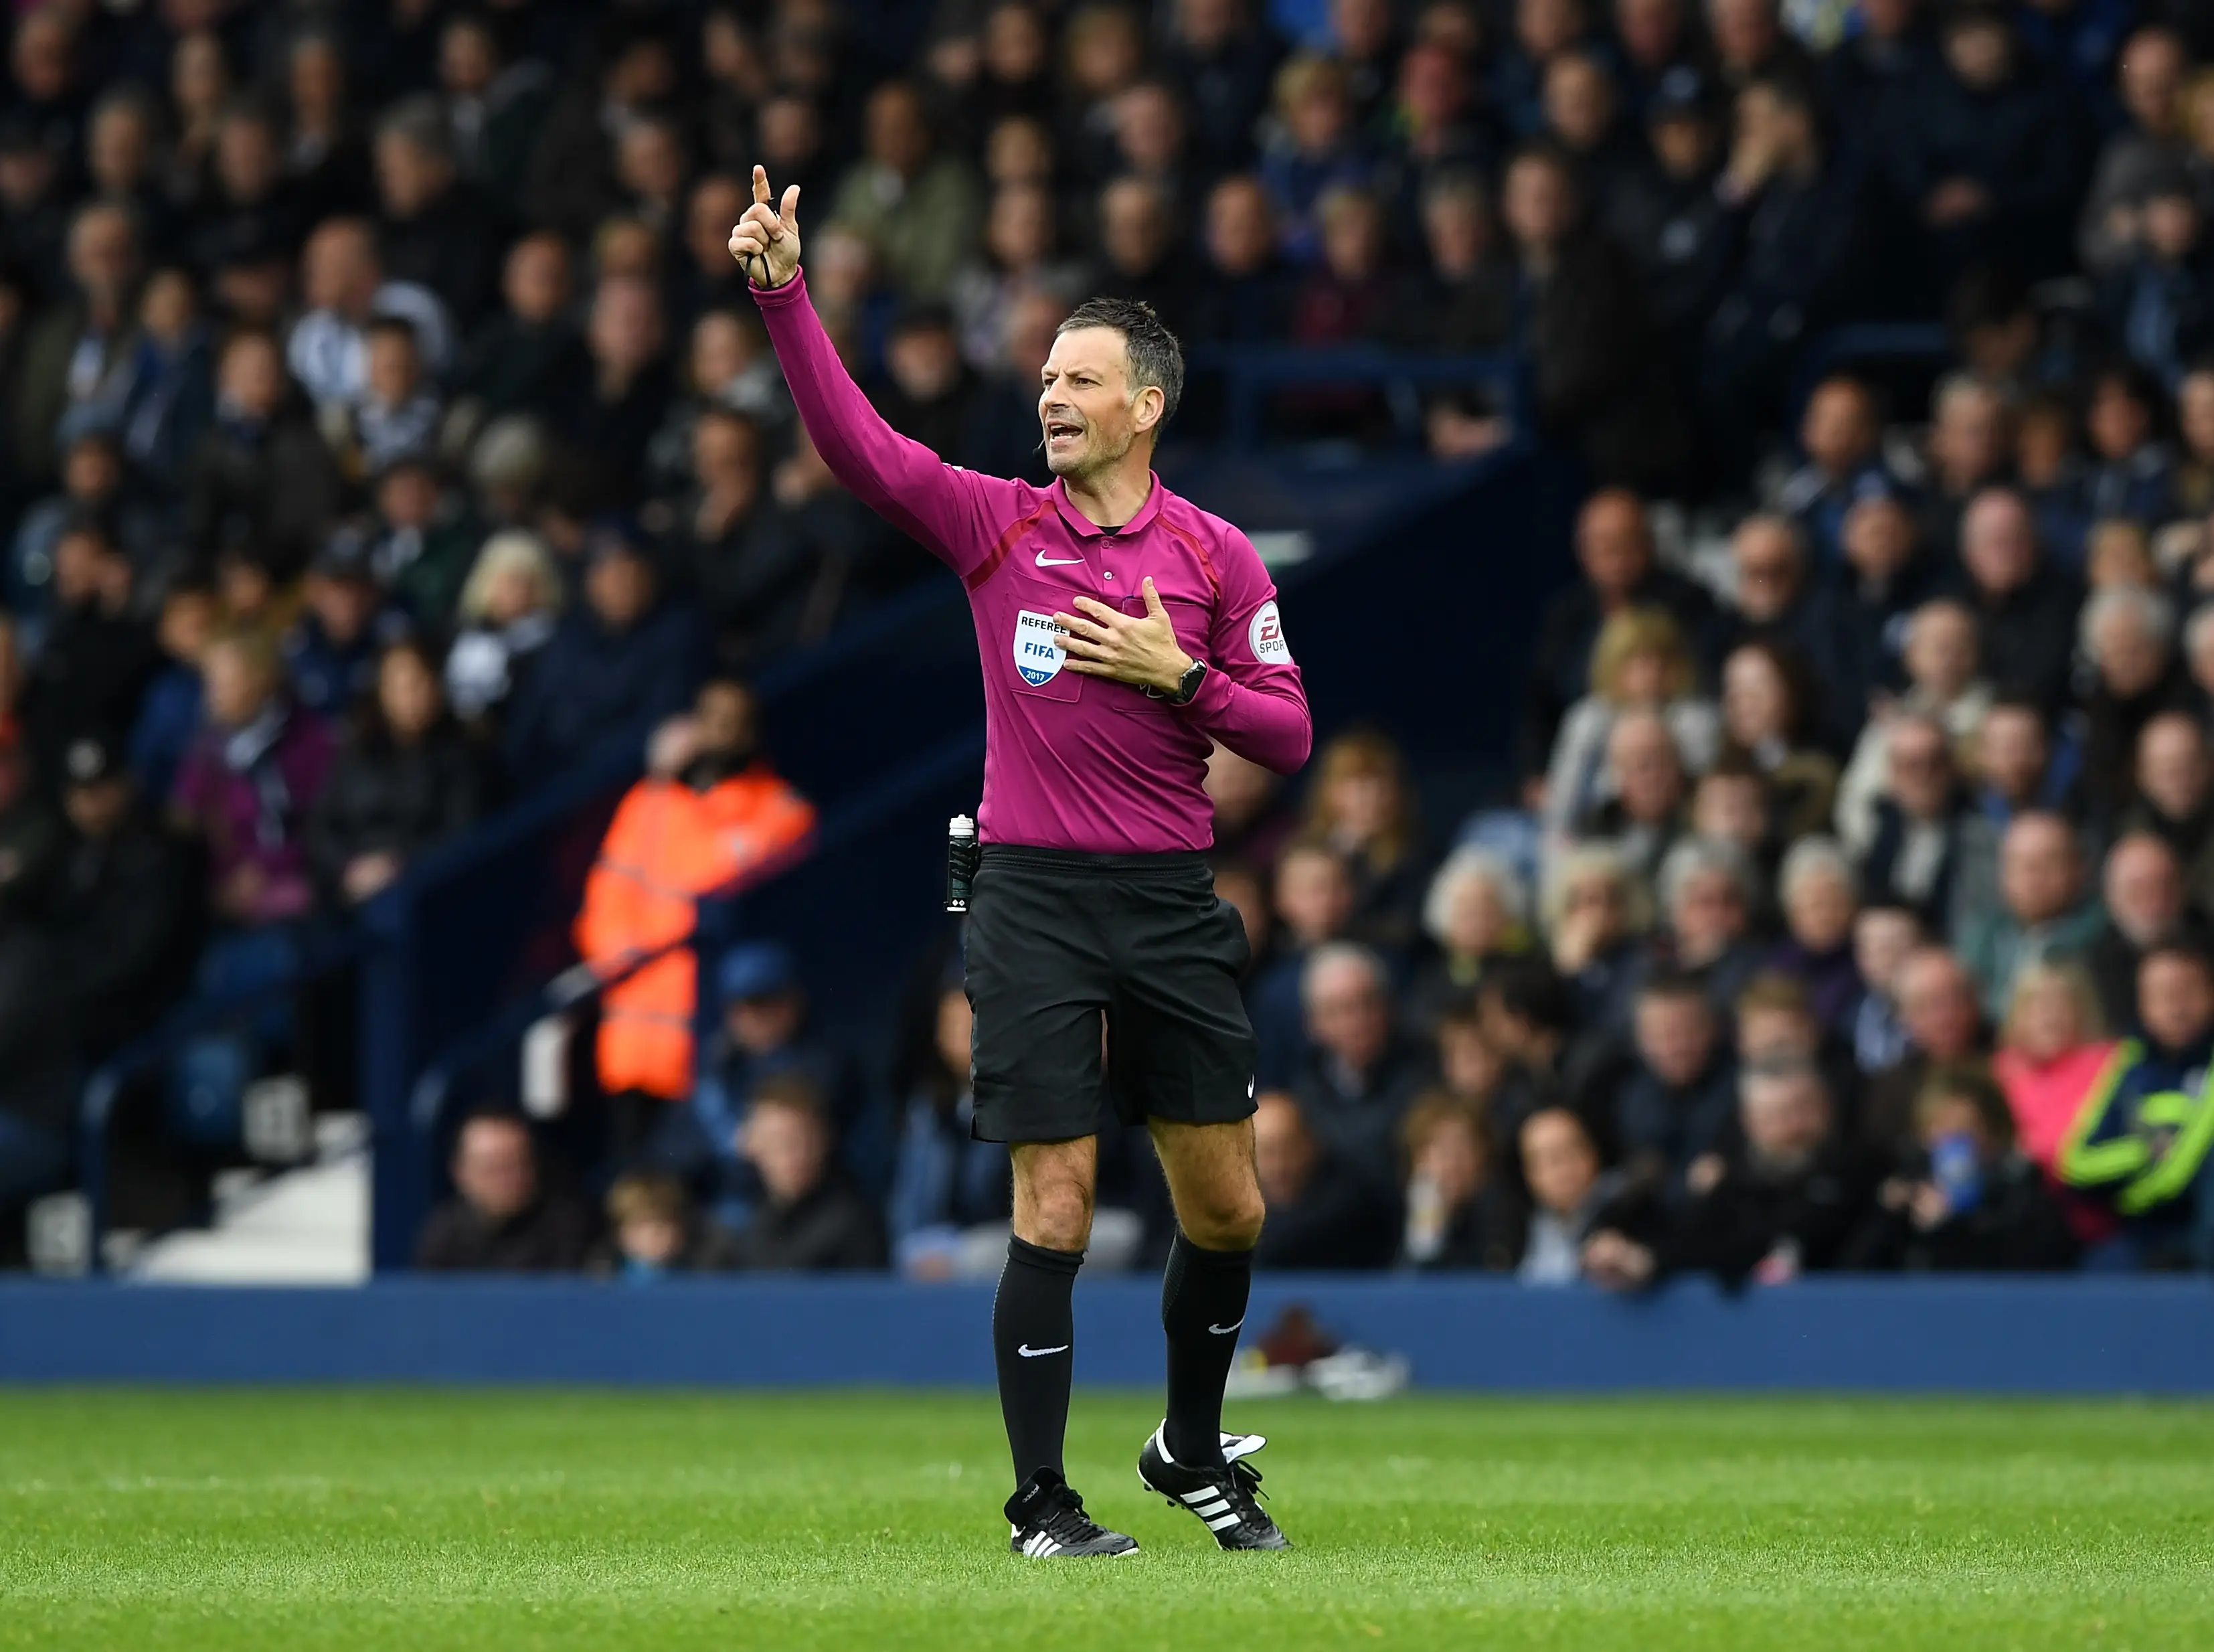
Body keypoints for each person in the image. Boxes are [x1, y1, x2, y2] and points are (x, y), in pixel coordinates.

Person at [732, 166, 1308, 1556]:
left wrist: (1184, 676)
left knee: (1226, 1202)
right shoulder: (1000, 526)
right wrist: (784, 297)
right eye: (1045, 377)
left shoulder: (1215, 558)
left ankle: (1185, 1442)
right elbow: (862, 450)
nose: (1050, 397)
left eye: (1080, 379)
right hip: (1032, 895)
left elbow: (1285, 730)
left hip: (1169, 896)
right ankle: (1040, 1500)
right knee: (1051, 1192)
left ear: (1145, 406)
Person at [575, 679, 817, 1144]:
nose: (722, 734)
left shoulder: (782, 812)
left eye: (735, 723)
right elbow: (605, 903)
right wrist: (624, 965)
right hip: (632, 1041)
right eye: (711, 719)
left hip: (716, 1046)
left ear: (754, 734)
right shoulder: (649, 803)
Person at [1842, 1065, 2079, 1272]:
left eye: (1967, 1126)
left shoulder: (2019, 1186)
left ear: (1993, 1133)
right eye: (1942, 1126)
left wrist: (1954, 1228)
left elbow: (2038, 1265)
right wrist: (1887, 1216)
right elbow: (1854, 1273)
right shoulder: (1910, 1179)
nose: (1953, 1136)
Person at [724, 1073, 889, 1272]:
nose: (791, 1154)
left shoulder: (854, 1226)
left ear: (825, 1141)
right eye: (776, 1140)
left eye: (802, 1140)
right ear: (749, 1145)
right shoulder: (745, 1227)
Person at [414, 1111, 594, 1272]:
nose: (504, 1180)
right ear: (460, 1172)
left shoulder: (567, 1227)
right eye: (491, 1168)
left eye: (513, 1165)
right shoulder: (444, 1233)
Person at [1397, 1090, 1513, 1271]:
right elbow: (1406, 1286)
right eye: (1440, 1148)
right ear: (1418, 1159)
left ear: (1482, 1155)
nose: (1452, 1160)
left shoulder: (1506, 1212)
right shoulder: (1394, 1208)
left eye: (1462, 1145)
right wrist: (1428, 1216)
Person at [593, 1171, 740, 1280]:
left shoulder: (705, 1277)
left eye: (664, 1223)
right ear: (621, 1233)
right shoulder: (601, 1278)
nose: (654, 1234)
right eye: (642, 1224)